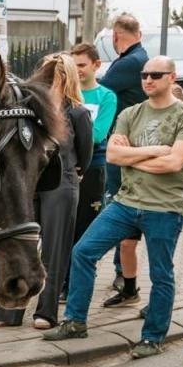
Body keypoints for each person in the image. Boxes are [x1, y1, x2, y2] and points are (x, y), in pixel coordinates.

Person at [43, 55, 183, 359]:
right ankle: (75, 321)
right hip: (125, 202)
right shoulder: (131, 113)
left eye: (156, 75)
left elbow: (175, 162)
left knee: (161, 274)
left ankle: (152, 337)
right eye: (144, 75)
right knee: (83, 252)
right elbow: (114, 156)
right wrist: (155, 150)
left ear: (172, 77)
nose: (148, 80)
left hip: (163, 208)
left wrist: (136, 155)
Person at [19, 54, 94, 330]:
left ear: (64, 76)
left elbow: (84, 154)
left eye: (52, 73)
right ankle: (10, 311)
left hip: (62, 182)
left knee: (54, 249)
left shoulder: (77, 112)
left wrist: (75, 173)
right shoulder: (30, 109)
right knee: (22, 244)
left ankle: (46, 311)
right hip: (31, 182)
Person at [98, 13, 149, 293]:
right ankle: (123, 271)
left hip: (123, 145)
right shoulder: (141, 57)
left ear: (116, 37)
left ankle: (122, 271)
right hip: (132, 143)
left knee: (119, 205)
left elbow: (98, 91)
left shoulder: (129, 62)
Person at [69, 43, 116, 241]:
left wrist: (69, 134)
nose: (76, 70)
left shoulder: (106, 97)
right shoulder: (67, 94)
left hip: (92, 167)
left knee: (87, 225)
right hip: (67, 167)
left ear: (96, 65)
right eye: (73, 66)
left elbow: (97, 135)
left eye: (81, 65)